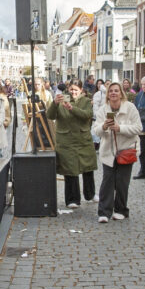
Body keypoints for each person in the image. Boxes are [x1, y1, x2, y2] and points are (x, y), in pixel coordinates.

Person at [92, 82, 142, 223]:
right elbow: (96, 131)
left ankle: (121, 210)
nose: (113, 93)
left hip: (126, 150)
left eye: (116, 91)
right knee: (107, 181)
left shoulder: (130, 108)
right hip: (108, 151)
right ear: (107, 94)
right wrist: (104, 126)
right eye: (111, 91)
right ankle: (104, 211)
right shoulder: (103, 110)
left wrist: (120, 128)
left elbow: (138, 128)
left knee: (122, 182)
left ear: (121, 93)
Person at [49, 79, 98, 207]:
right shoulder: (60, 100)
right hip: (66, 141)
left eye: (76, 90)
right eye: (71, 89)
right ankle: (72, 199)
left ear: (81, 90)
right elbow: (50, 116)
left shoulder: (86, 101)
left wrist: (72, 109)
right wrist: (54, 103)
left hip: (83, 140)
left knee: (88, 168)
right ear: (68, 89)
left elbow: (87, 115)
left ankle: (90, 194)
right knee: (70, 170)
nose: (73, 92)